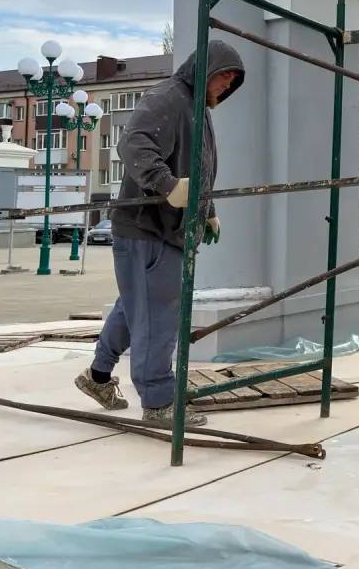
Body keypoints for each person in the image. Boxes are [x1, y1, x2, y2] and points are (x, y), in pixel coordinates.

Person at [74, 40, 245, 429]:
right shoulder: (169, 97)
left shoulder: (195, 106)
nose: (226, 86)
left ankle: (98, 377)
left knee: (135, 306)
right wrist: (166, 185)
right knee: (156, 316)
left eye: (232, 81)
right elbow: (133, 143)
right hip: (148, 227)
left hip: (163, 228)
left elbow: (197, 166)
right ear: (204, 70)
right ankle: (158, 402)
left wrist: (208, 210)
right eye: (223, 76)